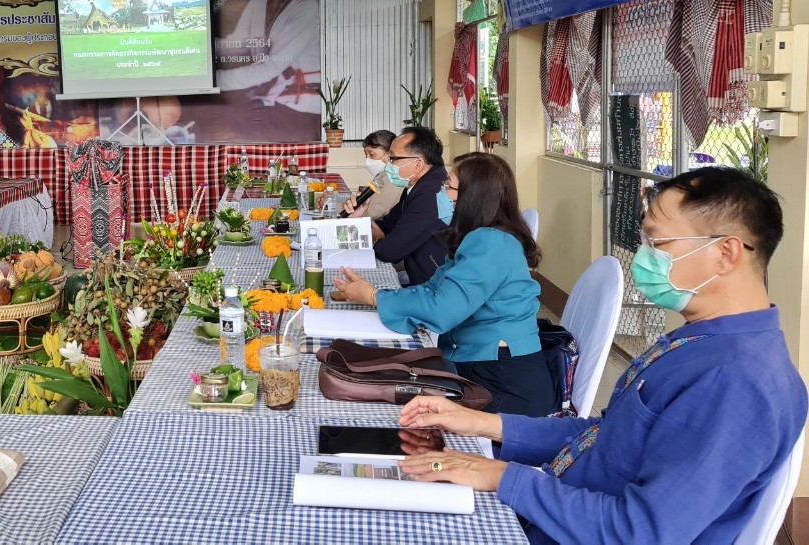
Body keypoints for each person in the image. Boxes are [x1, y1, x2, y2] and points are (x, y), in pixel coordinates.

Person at [394, 167, 807, 543]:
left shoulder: (736, 381)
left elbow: (639, 531)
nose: (645, 257)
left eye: (659, 242)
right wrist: (481, 424)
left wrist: (503, 476)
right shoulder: (701, 342)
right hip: (557, 511)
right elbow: (604, 436)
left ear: (726, 253)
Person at [335, 153, 554, 416]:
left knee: (400, 407)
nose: (442, 194)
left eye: (448, 187)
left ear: (473, 197)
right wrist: (377, 295)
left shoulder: (491, 243)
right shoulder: (477, 237)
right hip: (480, 363)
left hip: (504, 382)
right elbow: (432, 289)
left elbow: (442, 310)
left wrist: (374, 296)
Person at [212, 0, 321, 140]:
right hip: (266, 102)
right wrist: (201, 48)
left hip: (298, 107)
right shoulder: (259, 0)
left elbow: (270, 68)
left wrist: (215, 81)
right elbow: (237, 43)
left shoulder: (307, 8)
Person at [369, 126, 447, 286]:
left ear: (418, 164)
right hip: (417, 275)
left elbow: (390, 251)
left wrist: (377, 239)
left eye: (393, 158)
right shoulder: (417, 185)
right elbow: (388, 225)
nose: (388, 164)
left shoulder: (430, 193)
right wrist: (360, 218)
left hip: (433, 286)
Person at [345, 129, 404, 220]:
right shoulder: (383, 174)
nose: (367, 160)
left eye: (372, 155)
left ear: (389, 154)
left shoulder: (393, 178)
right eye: (366, 155)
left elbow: (374, 212)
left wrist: (334, 206)